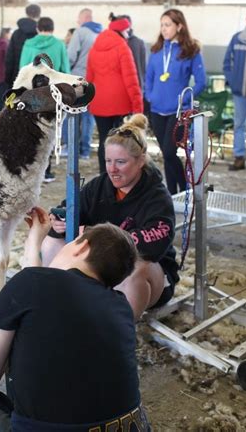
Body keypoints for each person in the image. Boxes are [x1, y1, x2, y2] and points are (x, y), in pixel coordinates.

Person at [0, 209, 150, 431]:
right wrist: (35, 241)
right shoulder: (121, 307)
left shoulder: (29, 284)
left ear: (81, 246)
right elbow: (44, 283)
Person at [42, 114, 179, 320]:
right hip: (101, 268)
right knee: (52, 242)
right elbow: (69, 208)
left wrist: (91, 234)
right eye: (108, 161)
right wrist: (59, 221)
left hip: (150, 276)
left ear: (141, 160)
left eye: (121, 162)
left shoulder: (157, 197)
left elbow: (152, 246)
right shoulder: (99, 185)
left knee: (134, 267)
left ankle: (121, 329)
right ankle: (54, 304)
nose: (112, 169)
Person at [145, 8, 206, 194]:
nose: (164, 29)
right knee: (166, 154)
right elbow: (149, 78)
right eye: (162, 25)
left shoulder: (191, 51)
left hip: (177, 111)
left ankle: (185, 190)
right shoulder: (156, 51)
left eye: (168, 25)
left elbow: (202, 81)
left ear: (179, 26)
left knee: (171, 152)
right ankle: (172, 194)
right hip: (157, 110)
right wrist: (150, 96)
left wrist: (184, 99)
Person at [86, 14, 143, 173]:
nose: (128, 34)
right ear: (122, 30)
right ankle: (118, 175)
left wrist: (88, 100)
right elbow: (131, 79)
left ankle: (104, 175)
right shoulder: (122, 47)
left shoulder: (94, 47)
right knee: (119, 142)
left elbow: (89, 78)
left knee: (104, 140)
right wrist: (138, 106)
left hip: (99, 102)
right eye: (127, 31)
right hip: (120, 103)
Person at [19, 17, 70, 183]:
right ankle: (46, 172)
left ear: (37, 28)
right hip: (52, 95)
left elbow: (23, 70)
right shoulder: (59, 45)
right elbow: (65, 71)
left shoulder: (28, 44)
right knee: (49, 133)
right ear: (52, 29)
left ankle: (28, 171)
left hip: (31, 94)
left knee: (29, 131)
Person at [64, 8, 102, 159]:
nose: (77, 22)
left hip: (77, 78)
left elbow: (71, 56)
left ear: (85, 18)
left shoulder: (80, 32)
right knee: (88, 116)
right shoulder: (101, 33)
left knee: (71, 112)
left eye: (79, 19)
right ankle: (85, 150)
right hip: (94, 80)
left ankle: (70, 147)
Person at [223, 10, 246, 171]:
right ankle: (239, 158)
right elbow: (227, 63)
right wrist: (233, 82)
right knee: (239, 124)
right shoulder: (237, 39)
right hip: (240, 92)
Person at [5, 3, 41, 87]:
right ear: (39, 15)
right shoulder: (39, 34)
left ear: (26, 13)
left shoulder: (16, 33)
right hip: (35, 79)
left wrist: (8, 78)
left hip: (17, 76)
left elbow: (10, 57)